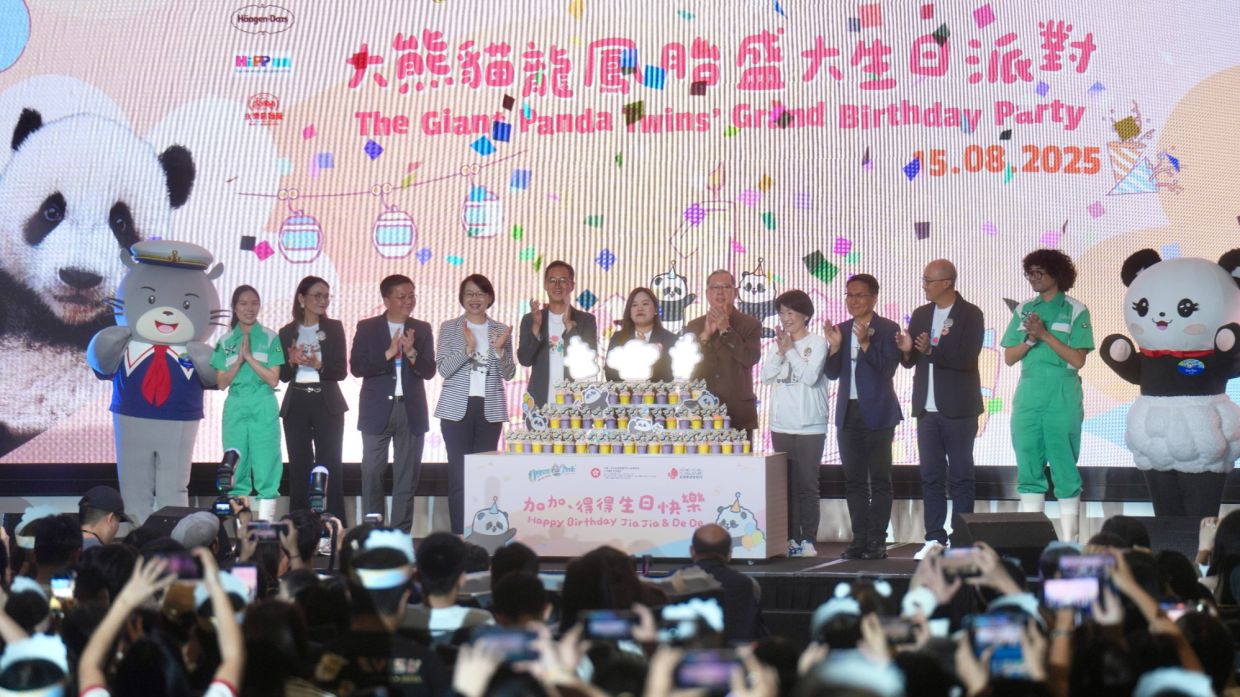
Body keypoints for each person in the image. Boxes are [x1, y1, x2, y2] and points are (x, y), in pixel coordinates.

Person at [1001, 249, 1093, 543]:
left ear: (1057, 274)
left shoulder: (1076, 309)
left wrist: (1044, 335)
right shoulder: (1024, 310)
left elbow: (1078, 360)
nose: (1034, 279)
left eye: (1040, 273)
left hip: (1062, 391)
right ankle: (1032, 540)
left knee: (1064, 464)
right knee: (1028, 460)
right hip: (1029, 392)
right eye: (1030, 273)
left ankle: (1070, 542)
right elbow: (1009, 357)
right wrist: (1029, 338)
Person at [897, 260, 984, 560]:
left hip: (959, 407)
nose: (924, 286)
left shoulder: (970, 314)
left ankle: (963, 538)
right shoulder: (921, 314)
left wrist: (932, 351)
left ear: (947, 282)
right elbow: (911, 362)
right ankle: (934, 538)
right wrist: (907, 349)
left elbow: (967, 357)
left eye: (928, 281)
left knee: (961, 475)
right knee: (931, 475)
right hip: (926, 408)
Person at [825, 274, 902, 561]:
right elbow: (832, 373)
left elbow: (887, 370)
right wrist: (834, 347)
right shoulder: (841, 329)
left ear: (874, 297)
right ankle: (859, 540)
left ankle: (877, 541)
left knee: (880, 480)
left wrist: (866, 344)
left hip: (879, 413)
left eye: (859, 295)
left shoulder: (887, 329)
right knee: (854, 481)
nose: (853, 300)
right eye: (849, 295)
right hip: (848, 413)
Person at [350, 275, 435, 533]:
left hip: (410, 410)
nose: (409, 301)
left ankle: (399, 537)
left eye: (412, 295)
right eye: (402, 296)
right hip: (376, 411)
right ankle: (373, 535)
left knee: (406, 478)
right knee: (372, 473)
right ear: (386, 300)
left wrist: (410, 353)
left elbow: (429, 371)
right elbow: (356, 367)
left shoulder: (421, 329)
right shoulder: (367, 327)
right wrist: (388, 353)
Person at [435, 274, 515, 535]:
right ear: (462, 298)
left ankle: (482, 534)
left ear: (490, 298)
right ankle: (460, 534)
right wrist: (467, 349)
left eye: (480, 294)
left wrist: (501, 351)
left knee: (484, 476)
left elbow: (509, 373)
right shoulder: (449, 327)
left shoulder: (501, 330)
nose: (475, 299)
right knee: (459, 476)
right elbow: (444, 369)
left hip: (489, 410)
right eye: (469, 293)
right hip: (456, 410)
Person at [759, 290, 829, 558]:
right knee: (785, 486)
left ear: (805, 315)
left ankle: (808, 539)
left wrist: (791, 352)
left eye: (790, 312)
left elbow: (810, 377)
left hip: (810, 426)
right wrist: (781, 351)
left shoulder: (818, 343)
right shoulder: (780, 344)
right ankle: (789, 538)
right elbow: (766, 377)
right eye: (781, 313)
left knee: (807, 483)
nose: (785, 318)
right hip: (781, 425)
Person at [211, 285, 284, 522]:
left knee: (267, 467)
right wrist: (238, 362)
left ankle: (266, 534)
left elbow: (273, 378)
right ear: (234, 307)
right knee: (237, 469)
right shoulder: (225, 340)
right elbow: (221, 382)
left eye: (254, 303)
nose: (249, 308)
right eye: (243, 303)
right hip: (236, 404)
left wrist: (250, 359)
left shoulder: (270, 337)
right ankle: (244, 539)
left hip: (263, 402)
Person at [278, 276, 348, 519]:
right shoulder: (286, 332)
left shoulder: (334, 328)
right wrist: (291, 361)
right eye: (317, 295)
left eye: (326, 296)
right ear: (301, 299)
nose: (323, 301)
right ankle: (299, 523)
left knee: (330, 463)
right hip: (296, 402)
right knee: (299, 465)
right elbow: (283, 376)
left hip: (326, 402)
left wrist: (319, 365)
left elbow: (341, 371)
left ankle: (332, 523)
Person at [683, 270, 763, 436]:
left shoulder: (750, 324)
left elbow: (750, 358)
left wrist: (726, 329)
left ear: (735, 292)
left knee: (742, 462)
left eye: (726, 286)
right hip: (702, 412)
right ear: (707, 294)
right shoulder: (694, 326)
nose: (720, 292)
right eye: (714, 288)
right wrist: (704, 336)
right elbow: (687, 367)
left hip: (738, 412)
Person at [517, 261, 598, 405]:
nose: (557, 285)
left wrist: (570, 329)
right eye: (552, 280)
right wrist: (536, 328)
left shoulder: (586, 320)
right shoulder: (531, 319)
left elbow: (586, 364)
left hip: (575, 406)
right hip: (539, 406)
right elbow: (524, 360)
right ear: (545, 285)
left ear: (572, 285)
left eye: (563, 281)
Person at [686, 523, 765, 644]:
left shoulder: (672, 581)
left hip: (679, 658)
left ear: (692, 551)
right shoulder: (747, 584)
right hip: (734, 658)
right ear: (729, 553)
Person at [604, 287, 679, 381]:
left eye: (645, 304)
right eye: (634, 305)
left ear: (655, 309)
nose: (640, 308)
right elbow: (610, 372)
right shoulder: (618, 338)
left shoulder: (670, 339)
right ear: (629, 312)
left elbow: (671, 375)